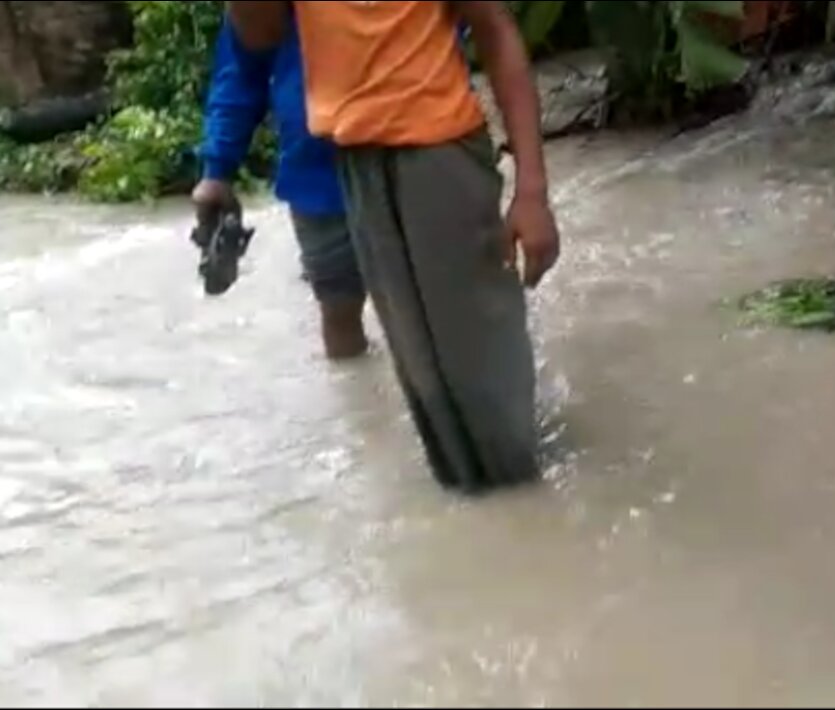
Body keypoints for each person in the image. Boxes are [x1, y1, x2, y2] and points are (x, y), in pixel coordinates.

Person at [227, 1, 561, 492]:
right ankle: (485, 519)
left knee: (482, 364)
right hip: (355, 162)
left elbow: (494, 29)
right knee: (424, 379)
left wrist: (531, 192)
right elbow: (259, 35)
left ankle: (528, 503)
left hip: (439, 152)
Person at [193, 17, 369, 360]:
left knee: (433, 310)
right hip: (317, 171)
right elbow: (242, 67)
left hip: (416, 155)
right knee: (340, 315)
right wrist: (217, 169)